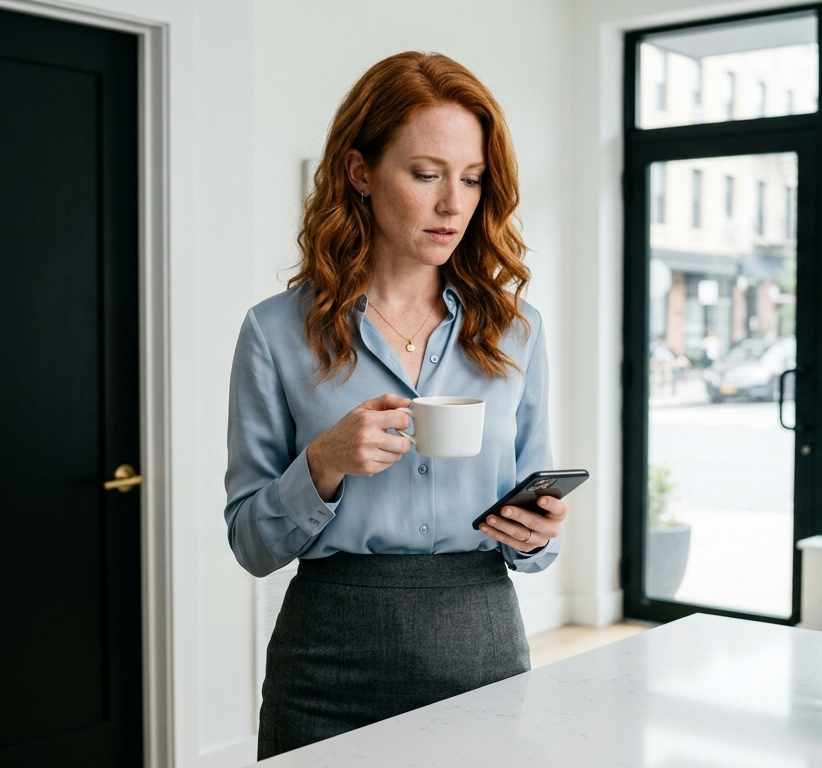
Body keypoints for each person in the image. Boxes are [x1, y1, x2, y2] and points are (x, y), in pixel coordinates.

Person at [224, 52, 566, 760]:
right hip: (326, 664)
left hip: (482, 650)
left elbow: (540, 536)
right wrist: (320, 464)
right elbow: (251, 543)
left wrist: (538, 532)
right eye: (426, 173)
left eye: (471, 179)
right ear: (360, 172)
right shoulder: (275, 331)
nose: (453, 204)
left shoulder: (515, 330)